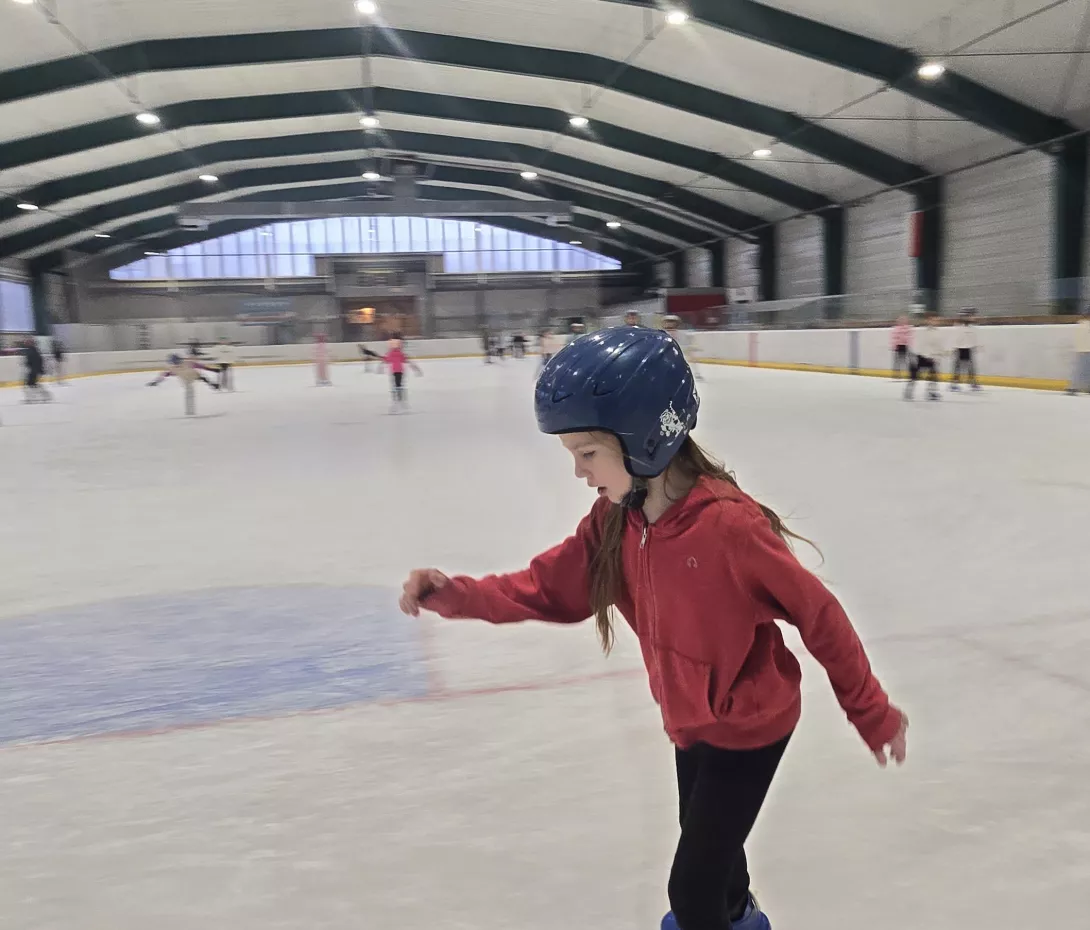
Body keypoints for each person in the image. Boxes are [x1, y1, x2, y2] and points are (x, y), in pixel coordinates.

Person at [399, 326, 908, 930]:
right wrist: (454, 595)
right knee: (717, 862)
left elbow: (820, 616)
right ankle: (741, 916)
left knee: (690, 889)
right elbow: (544, 588)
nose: (580, 473)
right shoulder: (616, 521)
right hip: (691, 719)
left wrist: (870, 711)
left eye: (587, 454)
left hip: (750, 724)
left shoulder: (729, 530)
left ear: (644, 437)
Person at [361, 335, 423, 413]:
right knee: (399, 385)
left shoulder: (390, 353)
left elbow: (385, 360)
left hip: (394, 371)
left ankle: (397, 401)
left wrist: (380, 368)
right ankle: (401, 401)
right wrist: (416, 369)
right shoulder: (400, 353)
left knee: (395, 386)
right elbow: (408, 361)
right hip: (400, 371)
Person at [905, 313, 943, 401]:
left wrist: (939, 355)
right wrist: (914, 356)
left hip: (930, 357)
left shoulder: (937, 332)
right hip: (919, 356)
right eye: (934, 320)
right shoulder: (921, 331)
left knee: (933, 375)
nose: (936, 322)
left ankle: (931, 392)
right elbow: (916, 344)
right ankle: (909, 391)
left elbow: (938, 346)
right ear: (928, 320)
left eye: (937, 320)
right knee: (914, 376)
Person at [663, 314, 704, 381]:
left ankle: (695, 374)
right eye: (668, 321)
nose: (670, 324)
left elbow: (687, 345)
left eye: (672, 321)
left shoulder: (682, 335)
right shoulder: (662, 334)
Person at [950, 309, 980, 391]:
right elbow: (955, 338)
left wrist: (975, 346)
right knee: (958, 366)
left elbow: (973, 338)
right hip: (959, 349)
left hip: (968, 348)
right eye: (970, 316)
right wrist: (954, 348)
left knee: (970, 366)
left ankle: (972, 382)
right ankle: (954, 383)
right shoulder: (958, 327)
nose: (973, 317)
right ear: (965, 317)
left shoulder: (971, 328)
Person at [1065, 308, 1090, 395]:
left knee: (1080, 369)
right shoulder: (1085, 325)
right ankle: (1072, 387)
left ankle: (1073, 387)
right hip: (1086, 349)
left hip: (1082, 349)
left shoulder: (1081, 324)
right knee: (1081, 369)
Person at [21, 338, 52, 403]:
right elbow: (36, 361)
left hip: (34, 371)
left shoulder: (33, 351)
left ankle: (33, 397)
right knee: (32, 384)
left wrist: (38, 370)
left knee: (30, 384)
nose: (25, 343)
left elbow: (36, 361)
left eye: (27, 342)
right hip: (34, 370)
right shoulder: (33, 350)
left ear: (31, 343)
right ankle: (43, 395)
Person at [890, 315, 912, 380]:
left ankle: (909, 374)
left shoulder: (907, 328)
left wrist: (908, 344)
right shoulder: (896, 329)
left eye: (903, 320)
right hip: (898, 346)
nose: (902, 322)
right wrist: (894, 346)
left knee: (905, 361)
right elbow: (894, 338)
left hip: (904, 346)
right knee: (897, 361)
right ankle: (896, 374)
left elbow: (909, 337)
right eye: (900, 320)